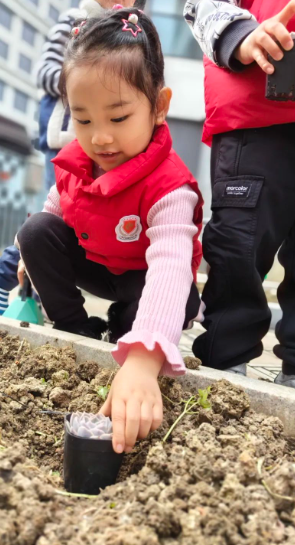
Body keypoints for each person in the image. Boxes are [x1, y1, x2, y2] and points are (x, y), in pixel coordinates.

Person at [17, 7, 205, 454]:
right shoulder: (77, 162)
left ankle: (126, 331)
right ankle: (75, 328)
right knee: (34, 232)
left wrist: (142, 360)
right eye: (83, 120)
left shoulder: (169, 186)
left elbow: (172, 266)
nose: (100, 137)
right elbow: (54, 210)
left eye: (118, 118)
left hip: (144, 278)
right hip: (96, 265)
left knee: (175, 298)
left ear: (159, 107)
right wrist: (27, 263)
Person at [0, 0, 134, 316]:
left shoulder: (128, 30)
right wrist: (85, 83)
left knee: (75, 221)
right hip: (64, 140)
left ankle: (31, 288)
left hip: (98, 144)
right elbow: (44, 70)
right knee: (53, 217)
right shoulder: (75, 19)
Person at [184, 0, 295, 388]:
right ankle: (224, 367)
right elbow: (202, 6)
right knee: (238, 245)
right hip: (255, 107)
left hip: (255, 107)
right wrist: (244, 36)